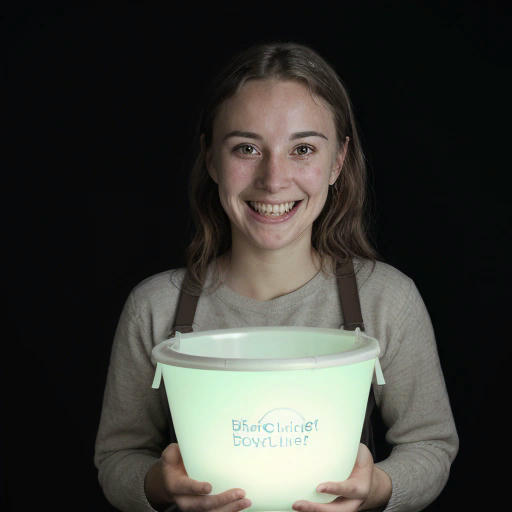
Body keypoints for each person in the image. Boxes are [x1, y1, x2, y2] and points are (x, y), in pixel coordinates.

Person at [94, 41, 459, 512]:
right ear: (210, 159)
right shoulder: (155, 306)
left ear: (338, 162)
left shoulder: (387, 300)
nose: (273, 178)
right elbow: (117, 457)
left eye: (302, 148)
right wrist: (159, 486)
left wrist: (378, 488)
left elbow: (431, 445)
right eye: (247, 148)